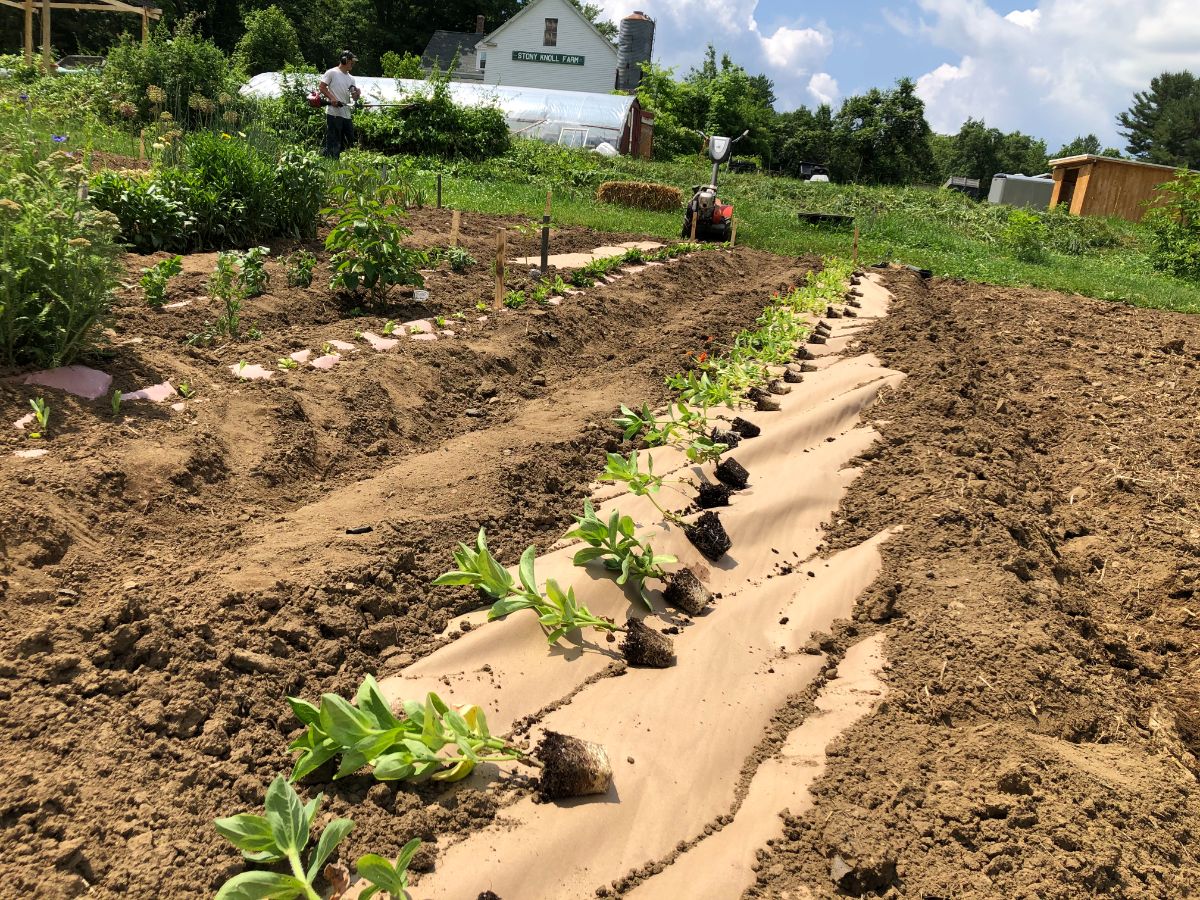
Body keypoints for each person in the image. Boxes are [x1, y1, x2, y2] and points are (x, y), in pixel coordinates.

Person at [319, 51, 361, 159]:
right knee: (334, 141)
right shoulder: (332, 72)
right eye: (351, 62)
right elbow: (322, 87)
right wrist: (332, 98)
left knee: (349, 140)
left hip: (346, 114)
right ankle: (330, 161)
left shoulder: (351, 78)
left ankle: (336, 161)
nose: (353, 64)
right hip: (334, 113)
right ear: (344, 60)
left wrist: (357, 94)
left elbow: (354, 97)